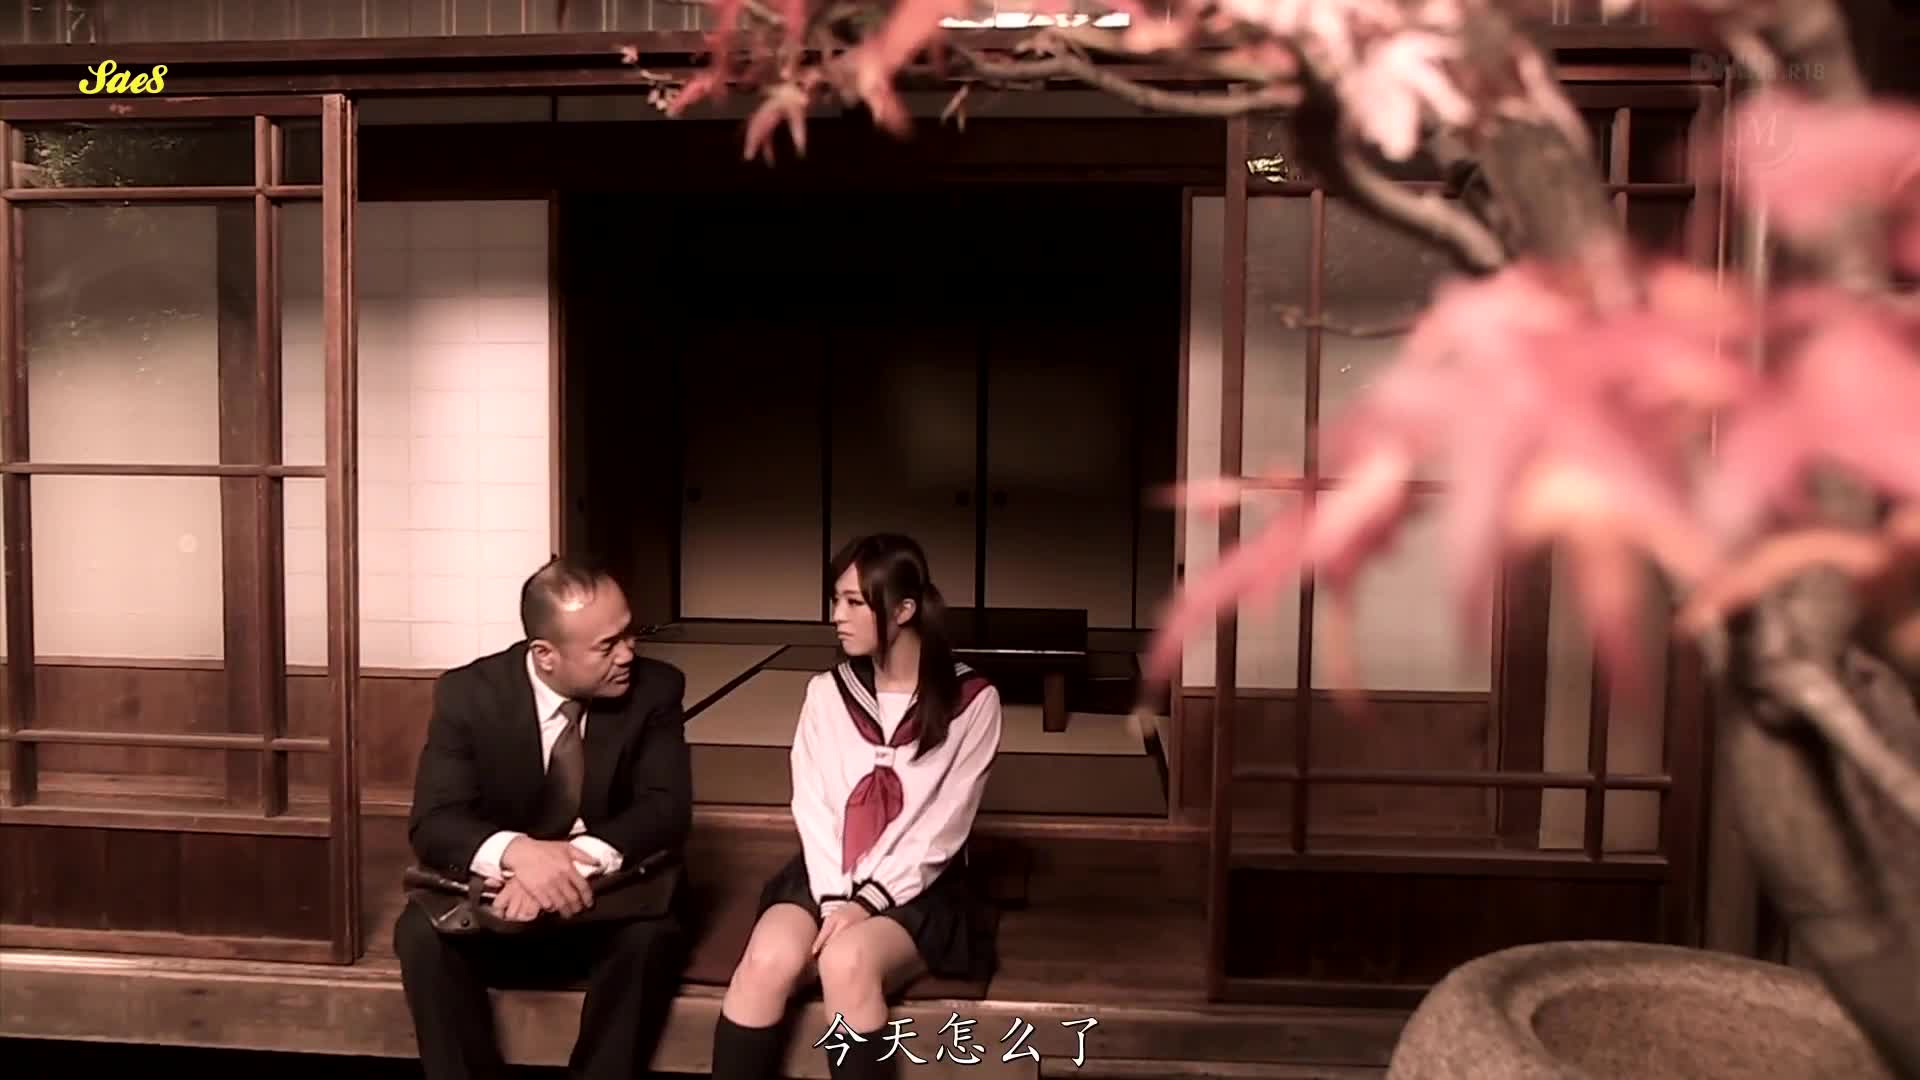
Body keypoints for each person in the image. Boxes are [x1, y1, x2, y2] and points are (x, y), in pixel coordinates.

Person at [710, 534, 1004, 1080]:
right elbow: (814, 805)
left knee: (845, 962)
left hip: (920, 882)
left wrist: (866, 904)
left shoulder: (974, 701)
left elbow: (943, 828)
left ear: (903, 609)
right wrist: (833, 900)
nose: (836, 616)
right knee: (767, 961)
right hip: (829, 868)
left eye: (852, 602)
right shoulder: (826, 692)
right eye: (835, 600)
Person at [394, 556, 692, 1080]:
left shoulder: (655, 689)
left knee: (652, 937)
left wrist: (561, 868)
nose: (628, 653)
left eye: (629, 633)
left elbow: (665, 809)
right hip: (499, 903)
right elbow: (434, 821)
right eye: (607, 646)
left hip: (607, 899)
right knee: (421, 936)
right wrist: (518, 854)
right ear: (545, 654)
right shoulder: (469, 694)